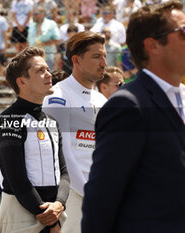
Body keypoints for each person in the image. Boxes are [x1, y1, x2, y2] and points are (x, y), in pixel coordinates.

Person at [82, 1, 185, 232]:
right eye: (183, 32)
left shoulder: (181, 97)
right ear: (153, 46)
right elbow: (102, 198)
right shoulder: (127, 106)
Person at [0, 47, 70, 233]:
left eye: (48, 69)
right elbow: (17, 180)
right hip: (22, 216)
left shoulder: (52, 121)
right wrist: (51, 221)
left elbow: (64, 172)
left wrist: (59, 204)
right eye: (40, 71)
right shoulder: (7, 120)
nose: (48, 74)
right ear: (22, 81)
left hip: (54, 215)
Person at [42, 31, 107, 233]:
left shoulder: (101, 100)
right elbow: (62, 153)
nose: (103, 62)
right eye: (96, 56)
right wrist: (89, 192)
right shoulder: (58, 96)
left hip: (100, 194)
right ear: (76, 60)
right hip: (71, 195)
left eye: (104, 56)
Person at [27, 6, 60, 72]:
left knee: (49, 74)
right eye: (33, 14)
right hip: (35, 56)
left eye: (36, 14)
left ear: (43, 14)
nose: (34, 16)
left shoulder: (51, 24)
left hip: (48, 55)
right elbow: (29, 41)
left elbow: (57, 39)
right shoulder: (32, 26)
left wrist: (44, 43)